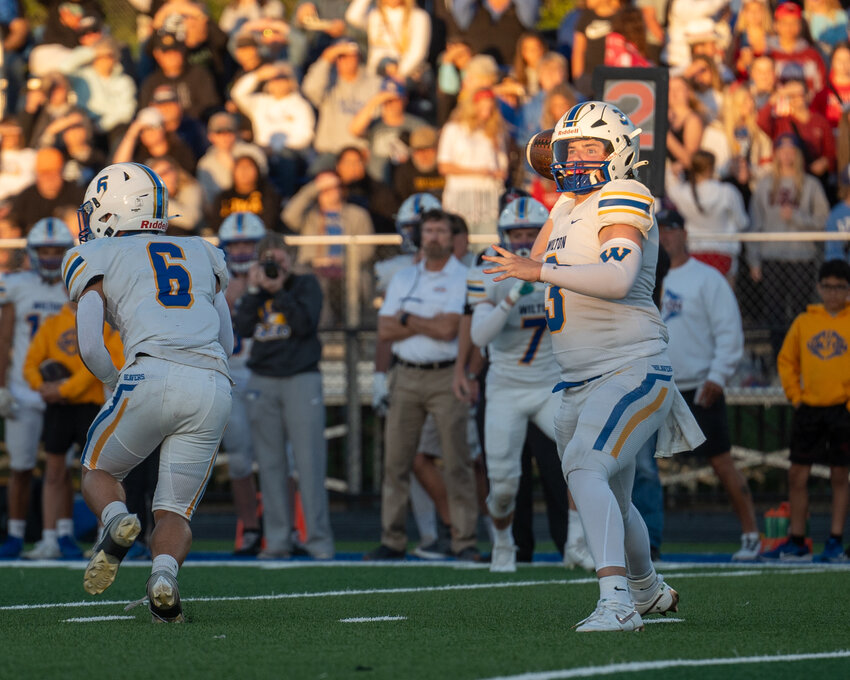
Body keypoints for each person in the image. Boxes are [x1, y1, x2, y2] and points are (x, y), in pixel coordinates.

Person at [482, 102, 704, 631]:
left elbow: (616, 278)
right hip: (579, 380)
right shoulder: (565, 207)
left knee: (586, 467)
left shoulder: (625, 192)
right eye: (570, 149)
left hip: (631, 364)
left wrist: (537, 269)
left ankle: (617, 603)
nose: (578, 159)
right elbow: (525, 269)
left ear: (619, 151)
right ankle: (647, 588)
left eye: (590, 148)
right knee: (612, 494)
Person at [63, 162, 234, 623]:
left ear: (112, 210)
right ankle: (163, 578)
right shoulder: (203, 250)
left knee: (97, 469)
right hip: (213, 383)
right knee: (175, 508)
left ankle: (116, 521)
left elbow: (91, 343)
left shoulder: (97, 255)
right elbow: (228, 339)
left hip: (149, 373)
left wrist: (117, 384)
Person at [468, 196, 590, 573]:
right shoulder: (488, 268)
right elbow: (478, 335)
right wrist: (509, 299)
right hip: (505, 387)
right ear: (503, 236)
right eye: (516, 234)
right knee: (503, 486)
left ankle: (576, 542)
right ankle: (503, 542)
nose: (522, 241)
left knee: (582, 457)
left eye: (530, 233)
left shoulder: (561, 263)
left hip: (550, 385)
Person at [369, 209, 479, 560]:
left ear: (452, 237)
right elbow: (384, 330)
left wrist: (405, 317)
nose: (433, 237)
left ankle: (464, 541)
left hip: (447, 373)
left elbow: (450, 330)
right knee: (396, 462)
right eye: (428, 230)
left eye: (440, 231)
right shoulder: (403, 277)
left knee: (457, 460)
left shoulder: (464, 276)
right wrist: (423, 321)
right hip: (406, 374)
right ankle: (393, 539)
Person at [657, 208, 761, 561]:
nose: (665, 236)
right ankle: (641, 545)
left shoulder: (707, 279)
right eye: (659, 229)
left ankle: (750, 534)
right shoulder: (644, 277)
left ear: (685, 233)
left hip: (700, 384)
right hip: (656, 385)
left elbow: (730, 333)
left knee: (721, 462)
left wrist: (718, 375)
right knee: (637, 466)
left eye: (671, 229)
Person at [233, 233, 335, 560]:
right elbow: (244, 328)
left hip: (301, 377)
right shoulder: (256, 290)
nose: (276, 266)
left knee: (309, 463)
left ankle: (318, 541)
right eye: (269, 261)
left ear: (290, 259)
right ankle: (277, 541)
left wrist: (280, 292)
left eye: (280, 259)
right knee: (270, 464)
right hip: (264, 378)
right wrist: (254, 289)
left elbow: (305, 324)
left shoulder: (306, 285)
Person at [22, 240, 124, 559]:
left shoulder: (107, 319)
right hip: (58, 407)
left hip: (90, 404)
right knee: (54, 471)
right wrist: (44, 387)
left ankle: (101, 537)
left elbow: (99, 364)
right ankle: (54, 536)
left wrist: (63, 390)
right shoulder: (53, 323)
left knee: (95, 472)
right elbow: (30, 362)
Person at [761, 259, 850, 563]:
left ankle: (836, 540)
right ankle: (798, 540)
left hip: (842, 410)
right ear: (818, 288)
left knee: (840, 475)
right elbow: (787, 361)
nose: (834, 293)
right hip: (808, 408)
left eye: (840, 287)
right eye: (828, 286)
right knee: (798, 475)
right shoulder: (804, 322)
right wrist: (795, 396)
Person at [0, 220, 74, 558]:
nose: (49, 257)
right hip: (24, 387)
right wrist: (2, 386)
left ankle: (63, 532)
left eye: (55, 251)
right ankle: (15, 533)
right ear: (32, 252)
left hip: (65, 390)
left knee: (64, 467)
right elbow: (4, 339)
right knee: (22, 466)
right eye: (44, 250)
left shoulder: (75, 286)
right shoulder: (17, 286)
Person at [218, 212, 266, 555]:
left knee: (282, 456)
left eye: (248, 243)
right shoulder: (212, 278)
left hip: (268, 370)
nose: (241, 250)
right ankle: (250, 528)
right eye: (235, 244)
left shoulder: (275, 275)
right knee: (239, 458)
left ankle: (285, 527)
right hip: (232, 370)